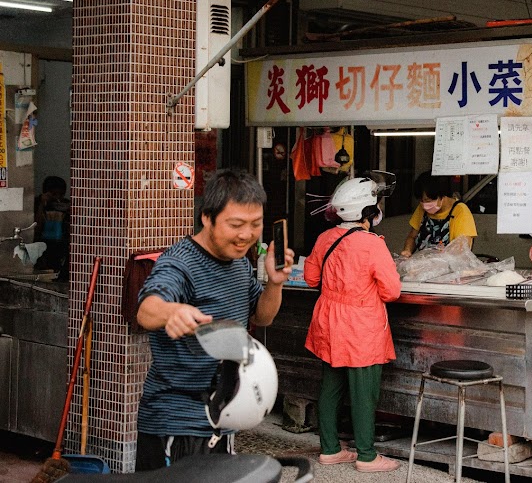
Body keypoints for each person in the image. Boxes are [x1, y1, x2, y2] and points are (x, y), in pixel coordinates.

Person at [134, 168, 295, 470]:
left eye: (255, 224)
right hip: (177, 424)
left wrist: (275, 283)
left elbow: (262, 317)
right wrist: (173, 311)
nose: (246, 234)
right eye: (236, 225)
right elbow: (146, 308)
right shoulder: (179, 263)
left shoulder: (238, 262)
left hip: (223, 416)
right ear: (207, 217)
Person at [304, 174, 402, 473]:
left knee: (331, 386)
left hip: (328, 320)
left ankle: (330, 449)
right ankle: (367, 456)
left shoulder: (324, 239)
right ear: (367, 213)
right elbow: (392, 291)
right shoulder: (372, 245)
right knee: (363, 392)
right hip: (361, 325)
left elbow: (311, 279)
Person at [400, 171, 477, 257]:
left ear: (442, 196)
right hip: (423, 265)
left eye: (428, 201)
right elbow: (412, 236)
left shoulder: (460, 211)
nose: (424, 205)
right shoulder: (422, 208)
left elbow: (462, 251)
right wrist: (407, 251)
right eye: (421, 201)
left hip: (449, 268)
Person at [34, 176, 71, 279]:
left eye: (61, 194)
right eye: (54, 194)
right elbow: (36, 227)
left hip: (60, 244)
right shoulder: (38, 203)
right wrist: (42, 204)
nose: (58, 198)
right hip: (42, 244)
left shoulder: (64, 204)